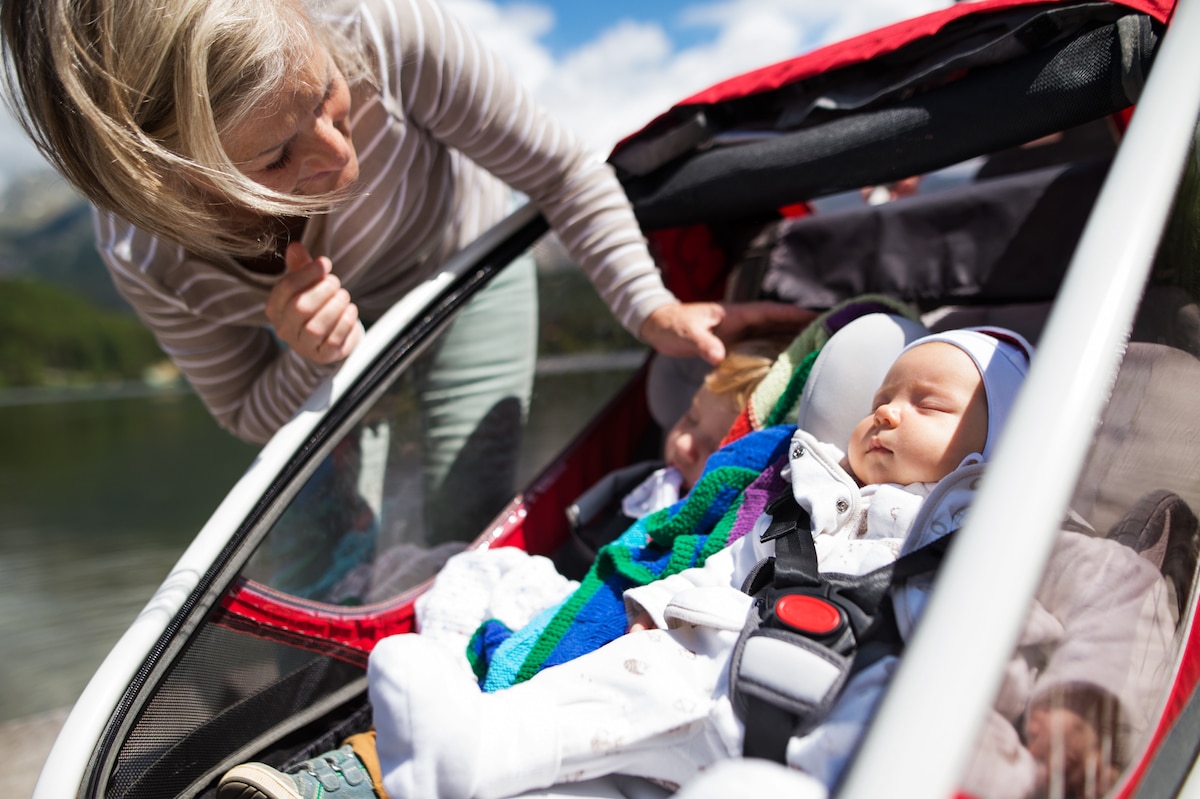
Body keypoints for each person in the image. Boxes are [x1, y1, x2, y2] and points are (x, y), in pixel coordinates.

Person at [0, 0, 811, 544]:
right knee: (319, 555)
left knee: (463, 521)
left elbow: (562, 171)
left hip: (465, 268)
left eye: (327, 94)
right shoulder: (148, 252)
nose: (339, 156)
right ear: (177, 184)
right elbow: (249, 410)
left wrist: (649, 308)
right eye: (278, 156)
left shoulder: (385, 32)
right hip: (323, 354)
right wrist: (313, 358)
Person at [221, 326, 1123, 799]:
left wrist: (1067, 704)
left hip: (855, 705)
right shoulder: (795, 485)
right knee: (626, 684)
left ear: (998, 448)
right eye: (881, 397)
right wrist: (664, 608)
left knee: (903, 734)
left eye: (923, 404)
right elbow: (729, 562)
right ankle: (479, 750)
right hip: (713, 680)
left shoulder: (996, 534)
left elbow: (1035, 629)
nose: (883, 414)